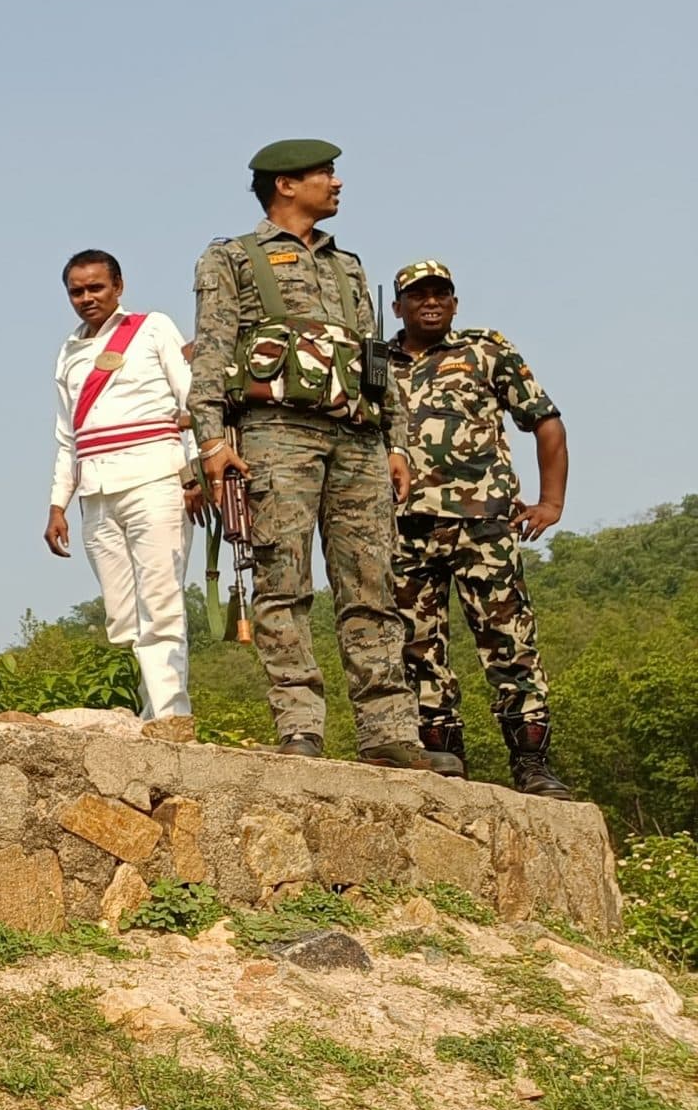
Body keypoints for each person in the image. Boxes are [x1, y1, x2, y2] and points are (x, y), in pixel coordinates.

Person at [191, 141, 427, 767]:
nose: (337, 182)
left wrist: (396, 442)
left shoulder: (348, 267)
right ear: (286, 185)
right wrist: (212, 443)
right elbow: (212, 352)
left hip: (358, 440)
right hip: (276, 435)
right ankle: (300, 726)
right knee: (283, 583)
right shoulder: (232, 258)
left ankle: (388, 734)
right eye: (325, 173)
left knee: (372, 585)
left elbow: (377, 361)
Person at [386, 261, 572, 796]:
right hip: (404, 528)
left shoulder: (484, 351)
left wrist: (551, 501)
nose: (430, 302)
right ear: (397, 306)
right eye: (417, 295)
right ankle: (445, 764)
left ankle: (532, 765)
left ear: (455, 302)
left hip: (482, 527)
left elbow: (544, 419)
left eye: (441, 293)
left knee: (510, 646)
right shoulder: (376, 362)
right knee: (417, 651)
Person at [41, 251, 202, 725]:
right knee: (123, 614)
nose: (87, 298)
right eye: (77, 291)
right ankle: (151, 704)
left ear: (118, 286)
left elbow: (191, 401)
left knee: (161, 602)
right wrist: (57, 504)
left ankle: (171, 716)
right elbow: (67, 437)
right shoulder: (68, 352)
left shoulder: (151, 328)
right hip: (95, 492)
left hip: (155, 479)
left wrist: (194, 472)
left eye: (96, 288)